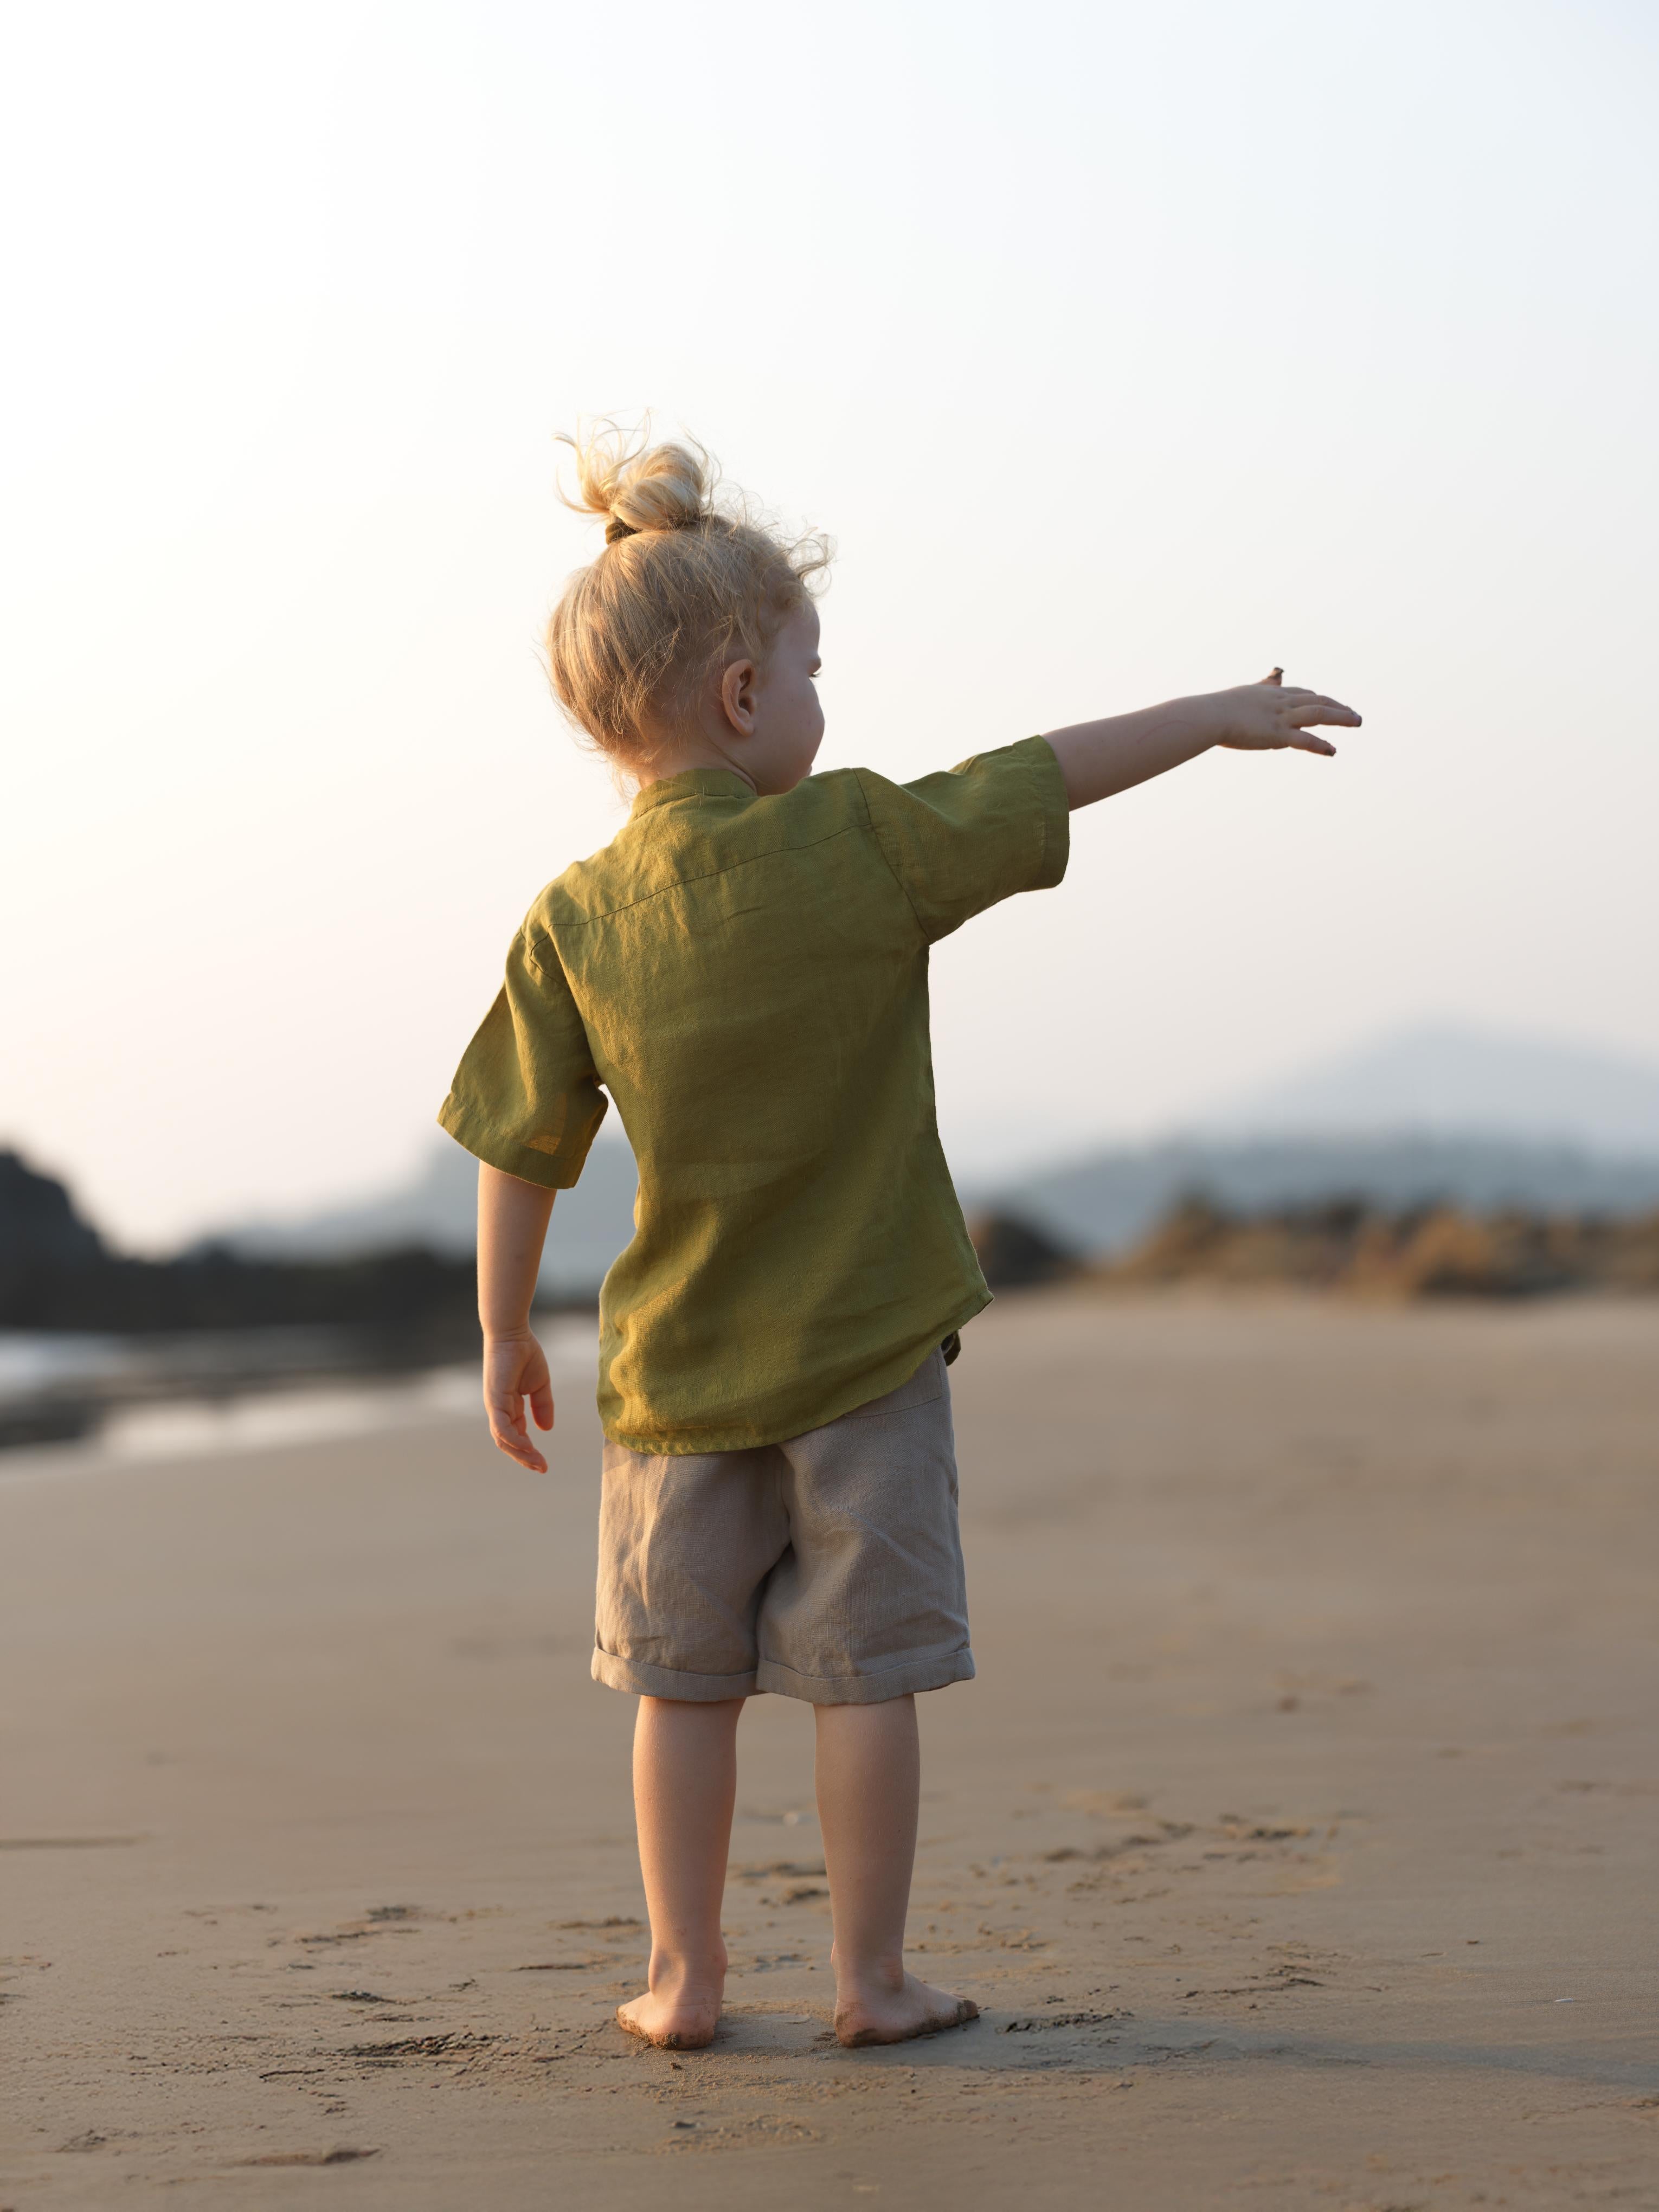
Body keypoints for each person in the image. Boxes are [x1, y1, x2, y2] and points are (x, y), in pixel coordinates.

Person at [438, 421, 1361, 2052]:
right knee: (865, 1684)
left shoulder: (573, 919)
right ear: (739, 694)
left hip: (671, 1380)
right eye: (805, 668)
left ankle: (684, 1978)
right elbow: (1038, 771)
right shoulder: (858, 841)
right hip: (865, 1359)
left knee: (680, 1684)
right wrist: (1214, 717)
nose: (815, 698)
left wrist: (506, 1329)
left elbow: (521, 1144)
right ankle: (869, 1981)